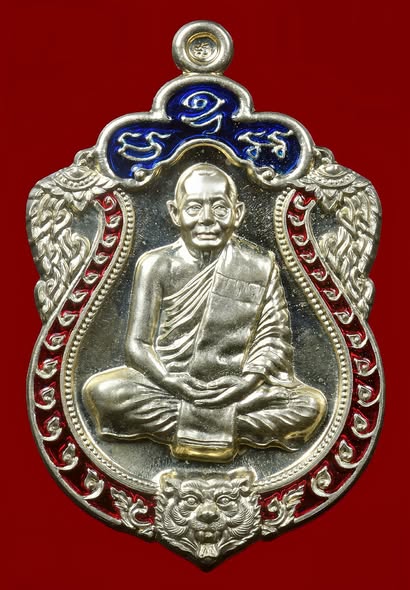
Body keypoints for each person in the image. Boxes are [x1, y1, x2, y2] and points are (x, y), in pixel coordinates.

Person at [83, 163, 327, 461]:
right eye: (194, 207)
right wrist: (169, 380)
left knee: (309, 405)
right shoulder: (156, 265)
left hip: (236, 388)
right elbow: (137, 345)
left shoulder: (259, 265)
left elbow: (273, 339)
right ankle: (229, 425)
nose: (207, 219)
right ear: (175, 213)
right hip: (168, 385)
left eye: (220, 208)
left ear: (237, 213)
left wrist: (245, 384)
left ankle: (199, 424)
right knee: (103, 392)